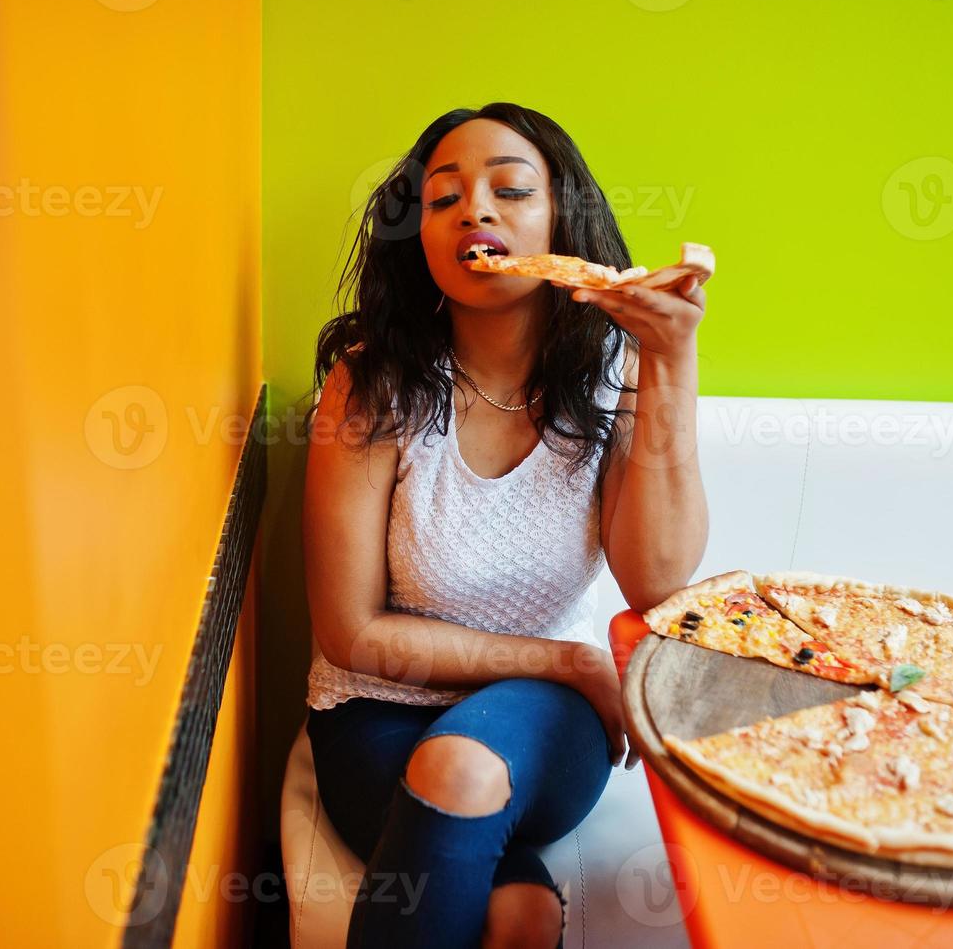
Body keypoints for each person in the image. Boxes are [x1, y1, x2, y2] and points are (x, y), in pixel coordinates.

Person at [301, 101, 708, 948]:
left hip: (541, 719)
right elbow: (349, 633)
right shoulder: (370, 387)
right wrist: (568, 660)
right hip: (376, 716)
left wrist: (669, 364)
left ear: (563, 219)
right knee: (517, 914)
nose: (475, 212)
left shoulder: (615, 376)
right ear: (419, 240)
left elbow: (660, 585)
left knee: (459, 762)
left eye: (511, 190)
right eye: (443, 199)